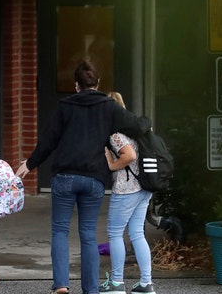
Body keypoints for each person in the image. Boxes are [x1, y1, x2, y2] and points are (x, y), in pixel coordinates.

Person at [15, 61, 148, 294]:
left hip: (65, 176)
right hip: (94, 178)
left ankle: (62, 284)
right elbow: (137, 125)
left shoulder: (64, 106)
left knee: (59, 230)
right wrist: (147, 124)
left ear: (76, 86)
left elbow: (48, 140)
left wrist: (30, 163)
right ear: (97, 84)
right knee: (87, 234)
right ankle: (90, 289)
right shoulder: (109, 107)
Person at [98, 92, 155, 294]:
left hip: (126, 189)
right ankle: (146, 284)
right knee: (137, 233)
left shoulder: (116, 134)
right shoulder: (136, 131)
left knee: (115, 233)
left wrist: (113, 166)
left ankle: (116, 283)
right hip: (144, 187)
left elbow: (129, 155)